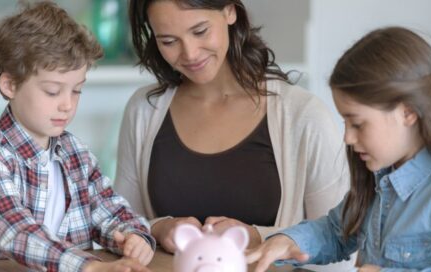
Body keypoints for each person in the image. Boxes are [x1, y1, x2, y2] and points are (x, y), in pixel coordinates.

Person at [247, 27, 431, 272]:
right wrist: (286, 242)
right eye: (345, 123)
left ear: (408, 112)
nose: (348, 138)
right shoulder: (378, 184)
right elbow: (333, 231)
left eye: (358, 124)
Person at [115, 0, 349, 261]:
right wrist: (159, 228)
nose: (190, 53)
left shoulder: (304, 116)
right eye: (169, 41)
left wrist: (256, 235)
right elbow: (117, 226)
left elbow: (340, 244)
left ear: (229, 10)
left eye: (200, 31)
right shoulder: (143, 110)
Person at [0, 2, 155, 272]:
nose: (67, 105)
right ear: (10, 85)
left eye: (76, 90)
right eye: (52, 91)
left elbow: (109, 209)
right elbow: (17, 232)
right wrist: (88, 267)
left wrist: (134, 236)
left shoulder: (75, 153)